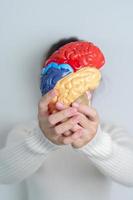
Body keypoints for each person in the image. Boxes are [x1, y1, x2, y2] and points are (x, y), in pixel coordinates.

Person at [0, 37, 133, 200]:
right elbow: (3, 174)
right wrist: (42, 140)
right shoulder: (26, 131)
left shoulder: (110, 132)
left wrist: (95, 142)